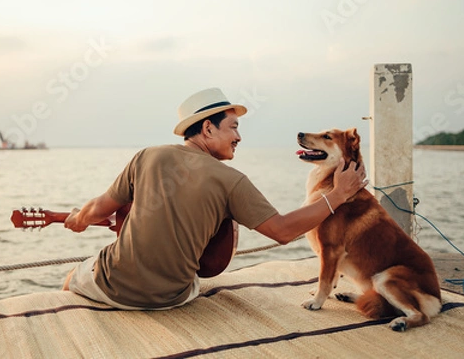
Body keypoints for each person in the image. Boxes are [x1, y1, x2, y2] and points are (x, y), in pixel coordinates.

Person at [62, 87, 367, 310]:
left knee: (72, 277)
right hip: (172, 297)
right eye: (233, 127)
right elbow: (283, 231)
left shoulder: (147, 156)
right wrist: (339, 195)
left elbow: (97, 208)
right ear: (208, 128)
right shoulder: (232, 181)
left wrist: (78, 218)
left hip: (114, 285)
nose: (239, 137)